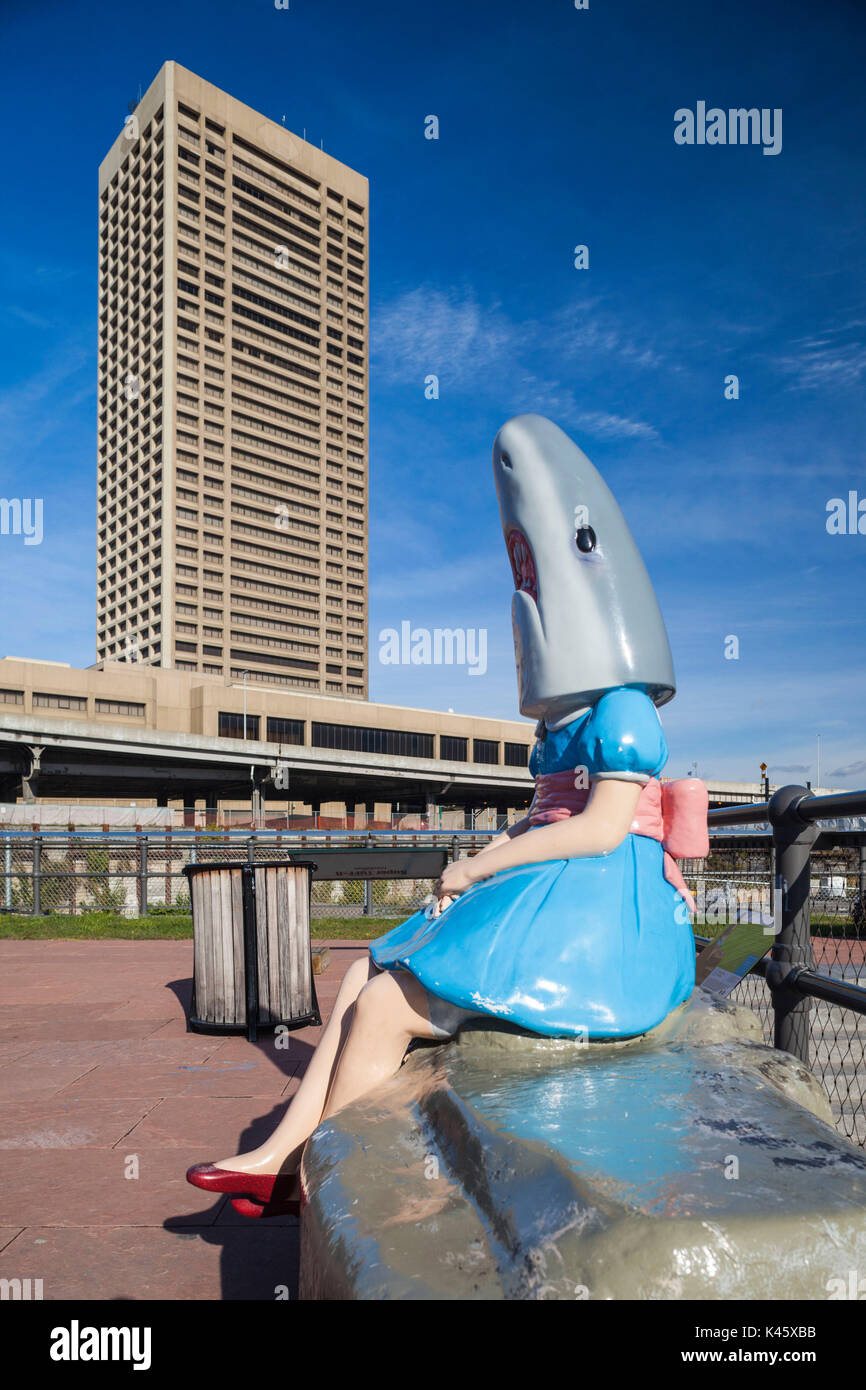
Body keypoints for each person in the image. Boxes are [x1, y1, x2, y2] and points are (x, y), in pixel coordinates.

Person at [186, 414, 702, 1217]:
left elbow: (602, 829)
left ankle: (335, 1183)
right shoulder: (563, 726)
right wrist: (480, 862)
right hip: (565, 880)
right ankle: (280, 1154)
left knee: (390, 1005)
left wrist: (478, 866)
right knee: (363, 971)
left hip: (603, 902)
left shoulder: (625, 710)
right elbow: (543, 820)